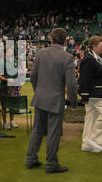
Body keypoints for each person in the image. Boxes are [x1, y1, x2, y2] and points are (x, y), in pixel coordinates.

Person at [26, 28, 78, 173]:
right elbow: (71, 83)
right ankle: (51, 164)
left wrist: (38, 91)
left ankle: (31, 159)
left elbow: (33, 77)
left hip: (40, 98)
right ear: (65, 40)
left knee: (37, 130)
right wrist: (73, 102)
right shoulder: (67, 57)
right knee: (53, 133)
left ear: (51, 39)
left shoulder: (41, 54)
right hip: (55, 100)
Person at [78, 36, 102, 153]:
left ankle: (86, 144)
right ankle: (94, 140)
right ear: (94, 46)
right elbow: (84, 78)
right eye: (101, 45)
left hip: (94, 93)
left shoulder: (95, 58)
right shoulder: (89, 59)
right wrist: (84, 95)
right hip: (94, 94)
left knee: (91, 119)